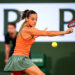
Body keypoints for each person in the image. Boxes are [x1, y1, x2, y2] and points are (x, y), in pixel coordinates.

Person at [4, 9, 73, 75]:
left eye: (36, 19)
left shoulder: (23, 27)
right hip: (21, 59)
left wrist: (38, 34)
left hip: (15, 58)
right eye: (32, 19)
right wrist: (64, 32)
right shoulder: (28, 29)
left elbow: (26, 39)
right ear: (27, 19)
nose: (35, 21)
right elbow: (48, 33)